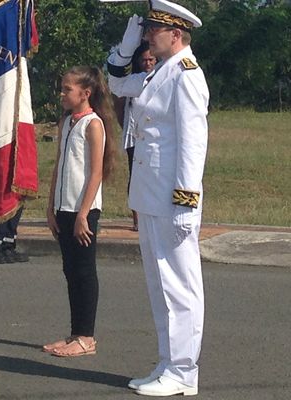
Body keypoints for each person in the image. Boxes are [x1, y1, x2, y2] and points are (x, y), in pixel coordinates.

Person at [107, 0, 209, 395]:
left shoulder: (187, 76)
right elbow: (116, 83)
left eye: (153, 30)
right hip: (150, 196)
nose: (149, 34)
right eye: (147, 29)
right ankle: (168, 362)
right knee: (159, 285)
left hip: (172, 198)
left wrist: (187, 201)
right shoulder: (159, 74)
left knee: (180, 285)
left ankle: (184, 372)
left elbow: (192, 144)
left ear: (176, 34)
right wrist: (125, 47)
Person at [43, 65, 116, 357]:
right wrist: (50, 206)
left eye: (67, 89)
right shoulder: (68, 122)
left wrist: (83, 214)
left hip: (82, 210)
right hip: (63, 207)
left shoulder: (92, 124)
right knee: (70, 270)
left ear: (85, 93)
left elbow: (96, 173)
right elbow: (60, 166)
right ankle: (75, 332)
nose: (62, 93)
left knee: (84, 271)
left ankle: (87, 337)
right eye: (62, 88)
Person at [113, 41, 156, 231]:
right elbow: (119, 105)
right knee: (135, 174)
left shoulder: (161, 77)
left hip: (155, 135)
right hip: (134, 134)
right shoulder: (133, 80)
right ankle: (137, 218)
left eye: (151, 59)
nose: (148, 63)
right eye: (144, 60)